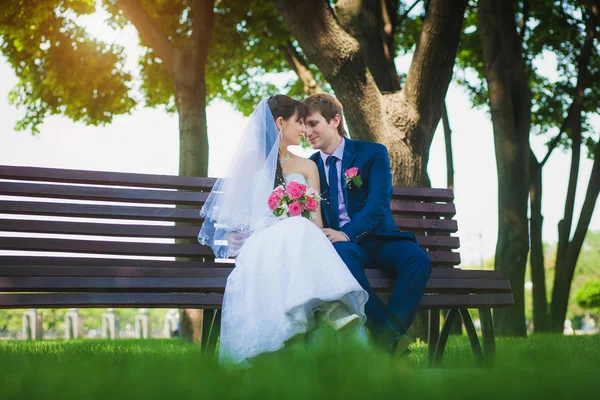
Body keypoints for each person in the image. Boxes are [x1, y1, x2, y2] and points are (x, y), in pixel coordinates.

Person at [198, 95, 368, 366]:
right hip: (259, 246)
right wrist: (231, 235)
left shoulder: (307, 166)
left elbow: (316, 223)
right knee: (295, 229)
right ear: (280, 123)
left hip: (300, 242)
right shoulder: (249, 163)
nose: (304, 129)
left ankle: (321, 319)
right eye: (299, 121)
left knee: (299, 228)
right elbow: (228, 220)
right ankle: (332, 310)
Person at [303, 93, 431, 356]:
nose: (307, 131)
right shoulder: (309, 167)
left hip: (379, 237)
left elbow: (378, 204)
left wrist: (346, 233)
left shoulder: (372, 153)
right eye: (303, 125)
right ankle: (390, 339)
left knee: (418, 260)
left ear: (335, 120)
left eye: (313, 123)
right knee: (340, 256)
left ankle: (387, 336)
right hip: (345, 248)